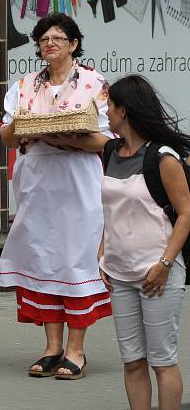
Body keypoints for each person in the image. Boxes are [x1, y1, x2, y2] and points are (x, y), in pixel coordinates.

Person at [0, 12, 112, 380]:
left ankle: (76, 350)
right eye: (44, 39)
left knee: (76, 258)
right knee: (43, 255)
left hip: (77, 176)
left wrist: (69, 137)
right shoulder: (25, 84)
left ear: (74, 44)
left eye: (58, 38)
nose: (49, 44)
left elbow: (107, 141)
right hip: (38, 177)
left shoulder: (94, 83)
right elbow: (7, 137)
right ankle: (51, 347)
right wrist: (20, 122)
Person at [99, 75, 190, 410]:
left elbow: (185, 214)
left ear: (124, 110)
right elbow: (112, 208)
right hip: (120, 275)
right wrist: (102, 251)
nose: (105, 112)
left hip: (158, 275)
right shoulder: (110, 150)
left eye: (109, 106)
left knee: (162, 360)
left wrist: (165, 265)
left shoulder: (163, 157)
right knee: (133, 361)